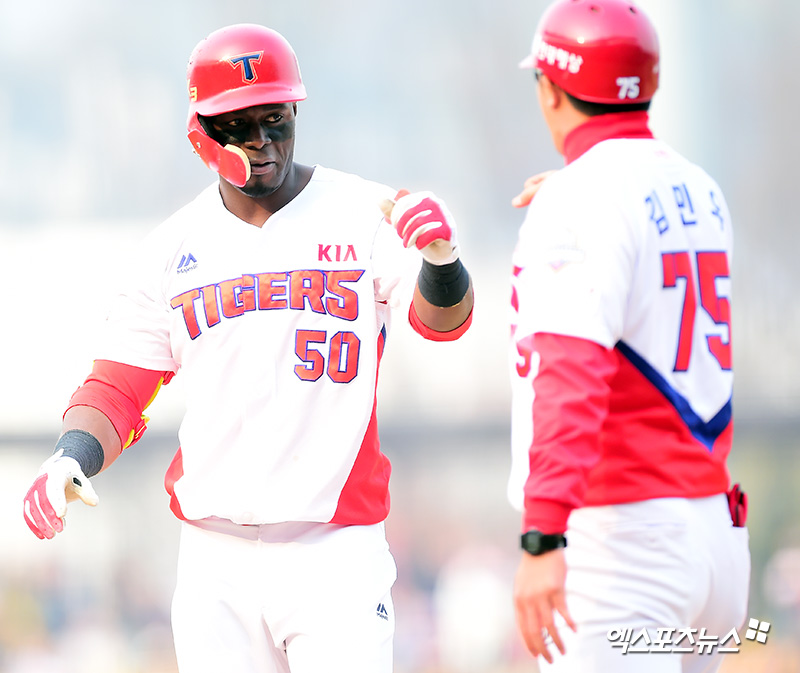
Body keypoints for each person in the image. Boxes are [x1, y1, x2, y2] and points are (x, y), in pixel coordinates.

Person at [22, 24, 473, 673]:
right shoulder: (171, 248)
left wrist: (442, 261)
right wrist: (72, 455)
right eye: (239, 125)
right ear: (201, 135)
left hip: (334, 549)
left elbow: (445, 322)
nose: (263, 140)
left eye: (275, 119)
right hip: (216, 560)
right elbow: (118, 387)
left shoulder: (366, 214)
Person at [507, 1, 750, 671]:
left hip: (623, 542)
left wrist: (542, 536)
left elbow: (571, 374)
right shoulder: (699, 186)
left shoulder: (579, 197)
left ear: (551, 89)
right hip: (714, 535)